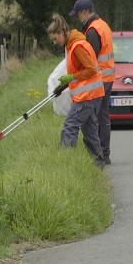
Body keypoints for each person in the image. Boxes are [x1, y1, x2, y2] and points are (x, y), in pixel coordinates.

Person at [48, 14, 106, 168]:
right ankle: (99, 163)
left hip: (88, 95)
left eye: (55, 39)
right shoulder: (72, 45)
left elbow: (91, 70)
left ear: (62, 32)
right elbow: (78, 73)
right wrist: (64, 85)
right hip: (90, 94)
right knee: (90, 131)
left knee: (70, 126)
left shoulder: (77, 46)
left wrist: (71, 77)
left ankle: (65, 164)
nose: (55, 42)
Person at [70, 0, 114, 165]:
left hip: (99, 80)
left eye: (77, 15)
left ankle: (98, 154)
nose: (77, 18)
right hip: (108, 77)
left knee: (92, 118)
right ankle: (105, 153)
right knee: (103, 117)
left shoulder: (92, 30)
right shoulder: (103, 25)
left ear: (85, 12)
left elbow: (90, 59)